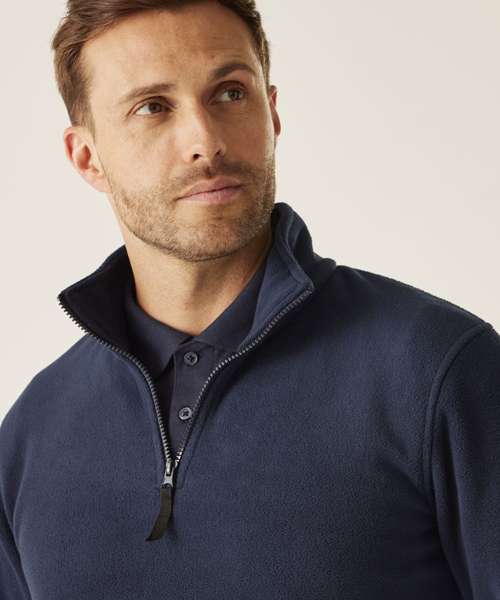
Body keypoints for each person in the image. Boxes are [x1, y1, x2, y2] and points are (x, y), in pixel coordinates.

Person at [1, 1, 499, 598]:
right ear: (88, 158)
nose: (205, 140)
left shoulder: (440, 370)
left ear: (273, 112)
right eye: (153, 107)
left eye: (231, 93)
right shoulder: (31, 436)